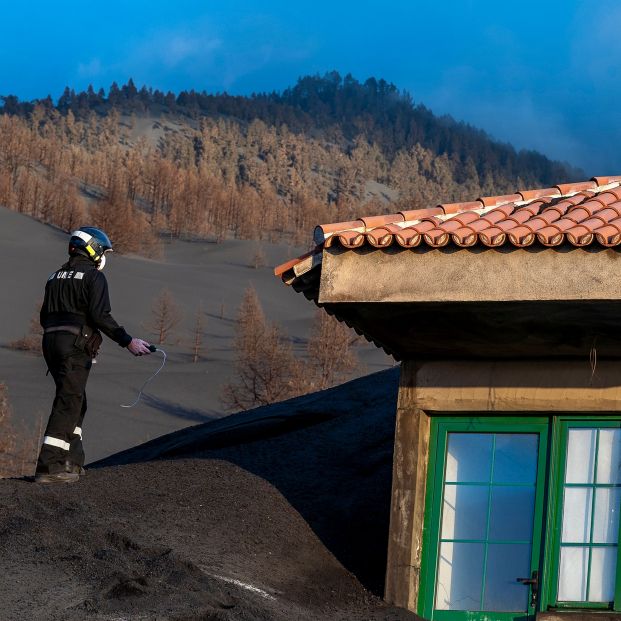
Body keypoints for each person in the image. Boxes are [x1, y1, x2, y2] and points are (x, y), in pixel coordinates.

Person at [35, 227, 152, 484]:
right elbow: (101, 316)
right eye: (103, 250)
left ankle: (72, 460)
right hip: (74, 346)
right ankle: (49, 466)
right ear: (93, 249)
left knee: (76, 399)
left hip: (50, 344)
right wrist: (128, 342)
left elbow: (44, 317)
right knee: (69, 400)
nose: (104, 256)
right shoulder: (93, 277)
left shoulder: (54, 276)